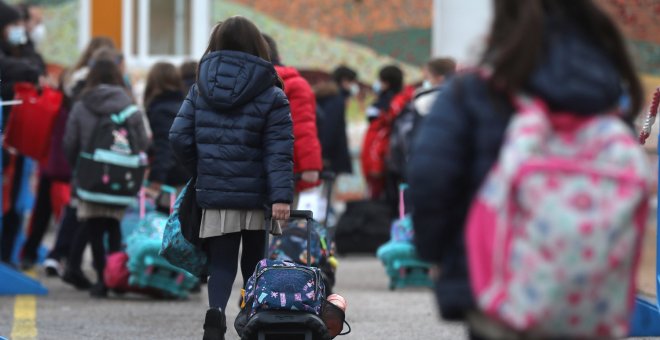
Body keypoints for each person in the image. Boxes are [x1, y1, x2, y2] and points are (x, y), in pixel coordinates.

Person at [408, 1, 643, 339]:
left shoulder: (474, 91)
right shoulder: (605, 97)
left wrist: (439, 254)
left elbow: (430, 177)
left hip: (496, 284)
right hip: (590, 286)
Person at [169, 16, 293, 340]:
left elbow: (178, 137)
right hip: (256, 194)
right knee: (254, 262)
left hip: (216, 191)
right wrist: (281, 196)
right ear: (258, 45)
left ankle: (215, 315)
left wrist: (202, 168)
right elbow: (278, 151)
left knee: (221, 261)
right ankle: (252, 319)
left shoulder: (200, 87)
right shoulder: (272, 93)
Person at [63, 48, 150, 298]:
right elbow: (143, 142)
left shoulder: (81, 105)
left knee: (93, 227)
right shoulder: (129, 106)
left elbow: (70, 142)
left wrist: (79, 167)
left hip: (90, 177)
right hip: (122, 177)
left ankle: (101, 279)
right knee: (113, 226)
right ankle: (115, 277)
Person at [43, 37, 116, 278]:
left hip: (85, 164)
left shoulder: (77, 91)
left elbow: (70, 139)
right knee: (107, 221)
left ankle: (65, 259)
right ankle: (109, 271)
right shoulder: (123, 98)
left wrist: (77, 162)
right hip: (115, 168)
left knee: (80, 212)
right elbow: (140, 137)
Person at [0, 1, 45, 266]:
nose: (21, 30)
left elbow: (33, 63)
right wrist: (30, 72)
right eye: (14, 25)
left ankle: (7, 255)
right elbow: (11, 68)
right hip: (6, 132)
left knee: (15, 198)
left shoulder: (19, 49)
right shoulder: (9, 58)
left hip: (16, 133)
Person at [262, 34, 322, 197]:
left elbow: (302, 127)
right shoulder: (296, 84)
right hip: (286, 169)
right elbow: (303, 127)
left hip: (264, 170)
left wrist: (310, 167)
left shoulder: (250, 82)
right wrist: (309, 167)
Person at [388, 58, 456, 183]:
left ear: (440, 79)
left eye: (427, 78)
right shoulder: (465, 101)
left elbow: (405, 137)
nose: (425, 82)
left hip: (423, 167)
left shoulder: (420, 101)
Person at [361, 65, 414, 207]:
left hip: (386, 162)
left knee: (388, 202)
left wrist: (375, 166)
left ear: (387, 82)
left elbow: (381, 139)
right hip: (387, 161)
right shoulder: (396, 102)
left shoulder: (392, 107)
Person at [143, 62, 189, 202]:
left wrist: (156, 180)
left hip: (172, 181)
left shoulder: (161, 109)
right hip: (188, 175)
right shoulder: (185, 104)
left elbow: (166, 146)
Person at [314, 66, 358, 175]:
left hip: (324, 153)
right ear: (344, 81)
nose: (354, 86)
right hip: (330, 157)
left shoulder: (328, 96)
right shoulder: (336, 100)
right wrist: (324, 155)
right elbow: (329, 128)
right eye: (352, 82)